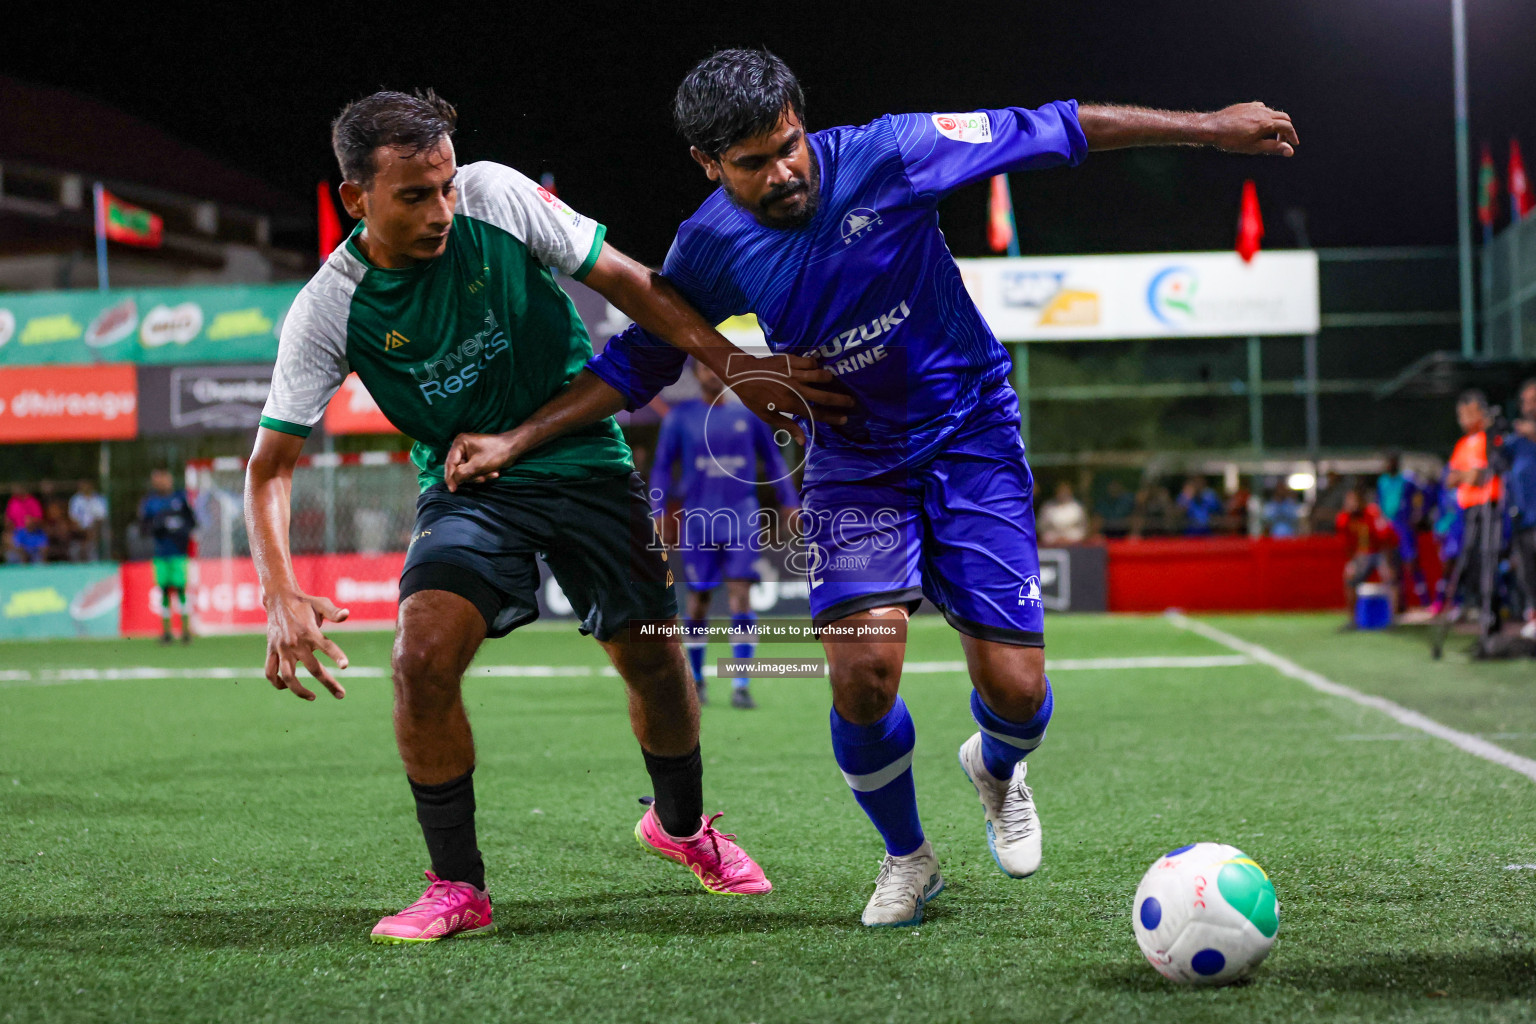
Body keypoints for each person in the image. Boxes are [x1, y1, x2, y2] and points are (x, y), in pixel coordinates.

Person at [455, 49, 1300, 925]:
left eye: (790, 143)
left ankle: (998, 768)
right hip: (855, 462)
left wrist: (1210, 130)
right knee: (863, 676)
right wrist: (518, 437)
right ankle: (909, 858)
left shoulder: (892, 152)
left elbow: (1058, 127)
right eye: (753, 162)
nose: (784, 171)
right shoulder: (706, 245)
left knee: (1016, 695)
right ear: (709, 166)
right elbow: (637, 360)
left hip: (971, 432)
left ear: (801, 116)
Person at [248, 90, 848, 944]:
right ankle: (457, 885)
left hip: (580, 458)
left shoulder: (496, 195)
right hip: (468, 486)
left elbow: (632, 282)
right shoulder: (329, 307)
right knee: (419, 660)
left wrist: (733, 364)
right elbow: (268, 468)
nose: (443, 210)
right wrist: (281, 592)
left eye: (446, 185)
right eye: (415, 195)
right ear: (357, 200)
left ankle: (681, 828)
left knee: (655, 663)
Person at [651, 360, 799, 709]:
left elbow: (775, 462)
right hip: (698, 520)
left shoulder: (748, 416)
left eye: (717, 366)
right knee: (698, 600)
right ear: (695, 374)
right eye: (704, 368)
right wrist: (657, 511)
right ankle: (698, 680)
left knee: (740, 596)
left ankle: (741, 684)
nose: (712, 373)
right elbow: (660, 467)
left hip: (741, 518)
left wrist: (789, 502)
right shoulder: (679, 418)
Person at [1444, 390, 1504, 636]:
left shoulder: (1490, 438)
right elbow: (1450, 478)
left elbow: (1481, 476)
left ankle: (1494, 614)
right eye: (1460, 415)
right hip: (1467, 511)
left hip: (1489, 508)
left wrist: (1466, 476)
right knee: (1467, 564)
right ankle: (1477, 607)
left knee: (1487, 561)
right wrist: (1466, 476)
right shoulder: (1462, 444)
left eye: (1467, 413)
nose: (1463, 419)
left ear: (1480, 411)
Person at [139, 468, 197, 644]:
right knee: (164, 591)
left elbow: (192, 522)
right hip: (161, 554)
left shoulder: (180, 499)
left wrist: (180, 530)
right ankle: (166, 631)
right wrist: (158, 526)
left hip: (179, 553)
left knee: (181, 590)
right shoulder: (150, 502)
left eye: (163, 478)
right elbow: (143, 527)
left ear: (169, 479)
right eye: (156, 479)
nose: (161, 482)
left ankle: (186, 630)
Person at [1335, 485, 1398, 629]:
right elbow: (1347, 545)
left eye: (1354, 500)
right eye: (1348, 501)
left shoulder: (1373, 513)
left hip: (1381, 551)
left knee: (1390, 580)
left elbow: (1387, 537)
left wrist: (1389, 562)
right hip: (1362, 555)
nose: (1351, 504)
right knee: (1349, 579)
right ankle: (1352, 620)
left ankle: (1392, 620)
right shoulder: (1344, 519)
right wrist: (1350, 563)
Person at [1503, 379, 1536, 639]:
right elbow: (1497, 450)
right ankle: (1533, 615)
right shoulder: (1518, 440)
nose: (1528, 406)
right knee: (1527, 573)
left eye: (1532, 400)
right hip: (1523, 518)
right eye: (1525, 401)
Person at [1376, 453, 1430, 607]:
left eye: (1392, 462)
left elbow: (1424, 494)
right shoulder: (1383, 481)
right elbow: (1379, 502)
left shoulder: (1407, 479)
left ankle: (1425, 601)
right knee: (1393, 566)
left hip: (1404, 526)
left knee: (1412, 563)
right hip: (1389, 527)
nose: (1389, 465)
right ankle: (1399, 605)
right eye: (1387, 462)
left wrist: (1418, 514)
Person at [68, 479, 109, 561]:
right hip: (80, 530)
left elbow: (102, 518)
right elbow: (73, 518)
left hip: (96, 529)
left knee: (101, 532)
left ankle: (96, 559)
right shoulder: (76, 499)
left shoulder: (99, 499)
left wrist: (91, 531)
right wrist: (82, 531)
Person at [1038, 481, 1088, 546]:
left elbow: (1083, 527)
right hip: (1053, 540)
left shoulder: (1077, 507)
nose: (1063, 493)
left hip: (1073, 539)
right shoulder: (1048, 507)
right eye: (1060, 491)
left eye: (1065, 491)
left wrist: (1068, 539)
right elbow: (1041, 526)